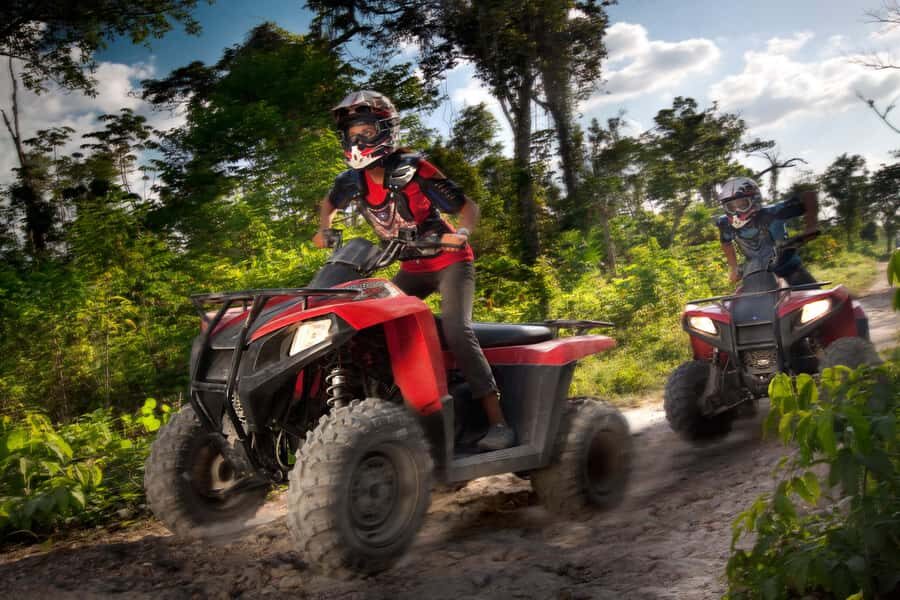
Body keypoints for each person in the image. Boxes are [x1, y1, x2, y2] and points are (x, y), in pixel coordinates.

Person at [312, 90, 514, 451]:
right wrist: (323, 229)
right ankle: (400, 412)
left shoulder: (414, 169)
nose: (358, 142)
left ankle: (498, 422)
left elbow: (468, 208)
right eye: (352, 135)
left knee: (457, 330)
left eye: (366, 133)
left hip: (449, 263)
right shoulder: (351, 181)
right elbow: (328, 204)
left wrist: (461, 234)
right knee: (373, 327)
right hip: (412, 266)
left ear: (385, 130)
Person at [715, 177, 819, 286]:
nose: (737, 211)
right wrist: (734, 267)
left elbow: (809, 195)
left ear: (755, 200)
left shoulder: (773, 213)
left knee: (813, 293)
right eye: (731, 207)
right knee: (742, 296)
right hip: (754, 275)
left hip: (790, 269)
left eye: (742, 205)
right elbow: (726, 243)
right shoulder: (725, 224)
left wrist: (811, 225)